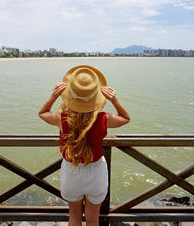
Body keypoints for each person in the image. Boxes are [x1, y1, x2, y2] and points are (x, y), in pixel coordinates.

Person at [38, 65, 130, 226]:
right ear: (96, 95)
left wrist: (54, 96)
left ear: (70, 95)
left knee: (74, 217)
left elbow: (42, 113)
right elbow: (125, 118)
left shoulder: (63, 118)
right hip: (95, 171)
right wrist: (114, 99)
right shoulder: (103, 118)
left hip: (72, 170)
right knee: (93, 218)